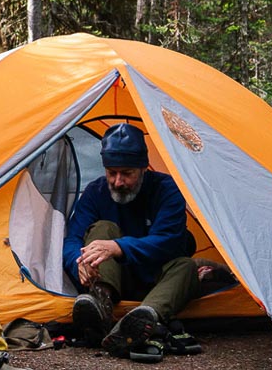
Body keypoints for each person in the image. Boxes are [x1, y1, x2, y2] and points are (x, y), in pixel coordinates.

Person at [62, 123, 202, 362]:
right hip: (113, 280)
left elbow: (168, 241)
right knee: (102, 228)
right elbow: (71, 240)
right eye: (112, 173)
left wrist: (119, 247)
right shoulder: (95, 192)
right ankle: (102, 306)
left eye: (127, 173)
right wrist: (78, 263)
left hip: (156, 280)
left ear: (143, 168)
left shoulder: (166, 190)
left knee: (187, 266)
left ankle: (140, 320)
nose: (118, 181)